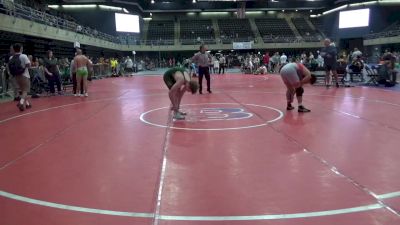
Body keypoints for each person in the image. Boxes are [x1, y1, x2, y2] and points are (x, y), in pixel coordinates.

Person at [8, 43, 32, 111]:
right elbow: (29, 65)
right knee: (25, 91)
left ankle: (27, 104)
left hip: (16, 76)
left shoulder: (11, 57)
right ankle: (21, 103)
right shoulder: (23, 56)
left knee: (22, 91)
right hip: (24, 75)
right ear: (21, 48)